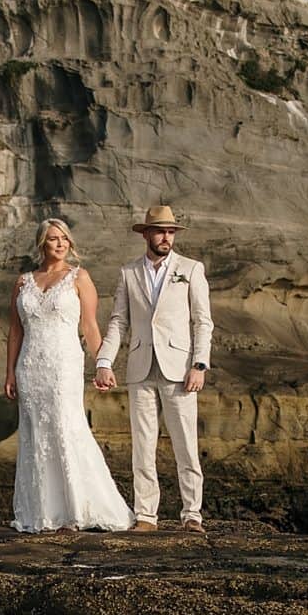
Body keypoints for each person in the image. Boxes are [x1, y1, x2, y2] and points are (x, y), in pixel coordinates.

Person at [5, 218, 133, 532]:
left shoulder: (79, 277)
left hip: (63, 365)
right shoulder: (24, 281)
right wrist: (9, 373)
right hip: (30, 367)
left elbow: (90, 326)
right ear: (41, 244)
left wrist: (103, 364)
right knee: (36, 434)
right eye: (53, 239)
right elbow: (14, 331)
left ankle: (75, 511)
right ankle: (43, 513)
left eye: (64, 238)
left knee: (64, 427)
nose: (60, 244)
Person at [93, 204, 213, 531]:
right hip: (140, 367)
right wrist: (105, 361)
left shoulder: (191, 269)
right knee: (142, 445)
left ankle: (192, 515)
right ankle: (146, 515)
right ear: (146, 234)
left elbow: (203, 322)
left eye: (171, 231)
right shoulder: (129, 273)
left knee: (185, 445)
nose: (166, 237)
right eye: (160, 231)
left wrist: (199, 365)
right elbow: (118, 321)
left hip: (180, 369)